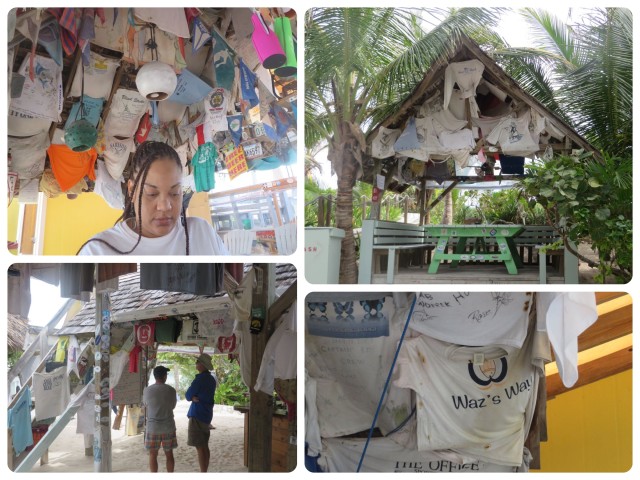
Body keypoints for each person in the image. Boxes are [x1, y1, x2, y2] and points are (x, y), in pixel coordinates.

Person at [77, 141, 228, 255]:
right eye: (152, 194)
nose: (165, 206)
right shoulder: (97, 251)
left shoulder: (202, 232)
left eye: (175, 193)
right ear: (131, 190)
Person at [185, 353, 217, 472]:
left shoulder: (200, 379)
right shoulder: (211, 379)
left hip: (197, 414)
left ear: (202, 365)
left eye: (198, 362)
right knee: (204, 445)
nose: (196, 363)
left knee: (200, 446)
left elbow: (188, 395)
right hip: (207, 414)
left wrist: (192, 397)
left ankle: (203, 472)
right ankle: (205, 471)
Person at [142, 366, 178, 473]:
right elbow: (172, 406)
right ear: (165, 376)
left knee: (153, 454)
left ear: (155, 376)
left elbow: (145, 404)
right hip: (168, 426)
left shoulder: (147, 390)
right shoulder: (171, 390)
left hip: (153, 427)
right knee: (169, 454)